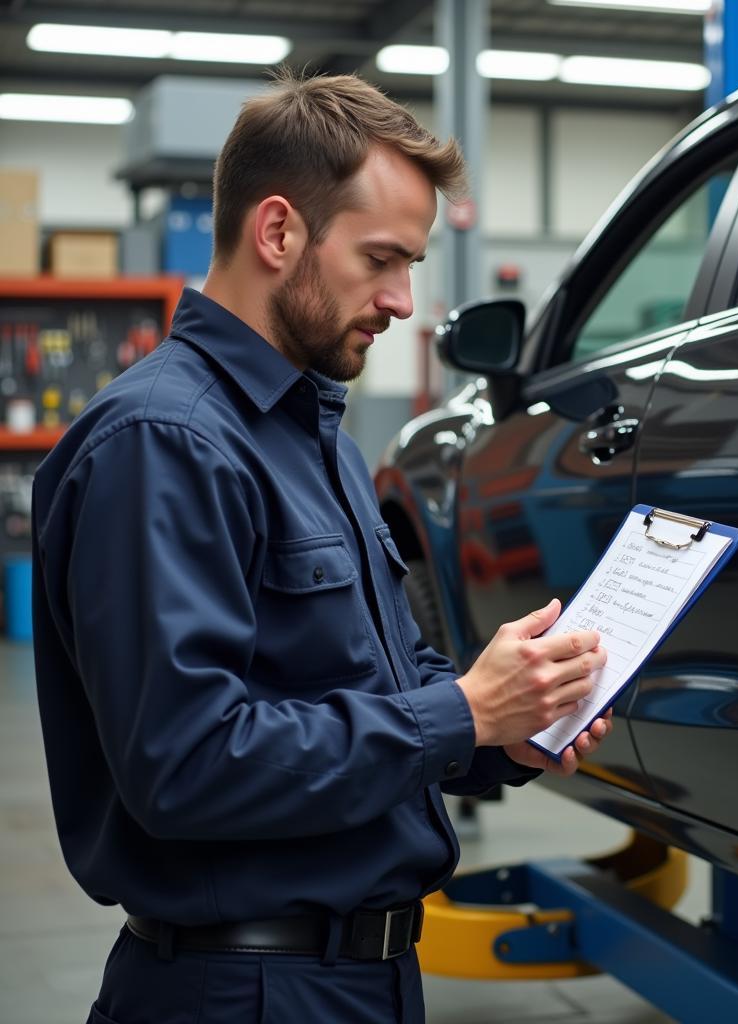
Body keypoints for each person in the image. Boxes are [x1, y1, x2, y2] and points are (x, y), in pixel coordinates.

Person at [31, 71, 611, 1024]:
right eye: (381, 258)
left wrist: (505, 726)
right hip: (243, 990)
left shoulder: (318, 441)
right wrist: (458, 712)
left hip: (360, 978)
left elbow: (373, 686)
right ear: (277, 233)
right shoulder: (164, 444)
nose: (401, 300)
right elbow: (186, 764)